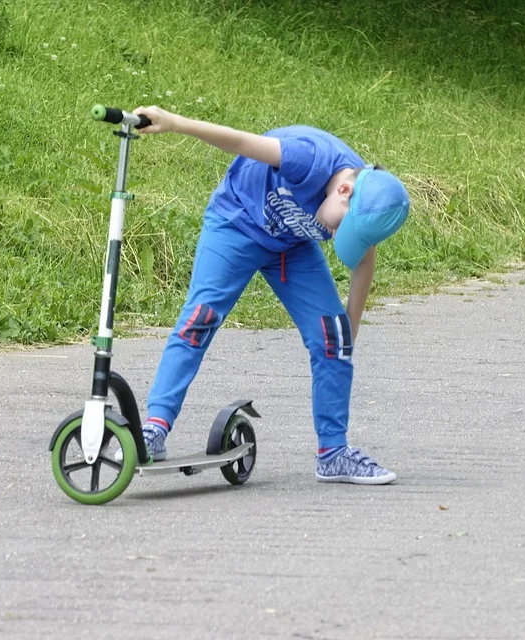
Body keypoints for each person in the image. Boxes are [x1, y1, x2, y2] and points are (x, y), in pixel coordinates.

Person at [132, 105, 410, 484]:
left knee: (333, 336)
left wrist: (344, 342)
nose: (335, 235)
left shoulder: (368, 196)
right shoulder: (307, 158)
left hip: (290, 247)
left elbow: (364, 262)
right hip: (237, 225)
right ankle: (155, 429)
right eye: (342, 226)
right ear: (343, 189)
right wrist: (176, 123)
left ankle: (333, 454)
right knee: (199, 321)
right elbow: (240, 141)